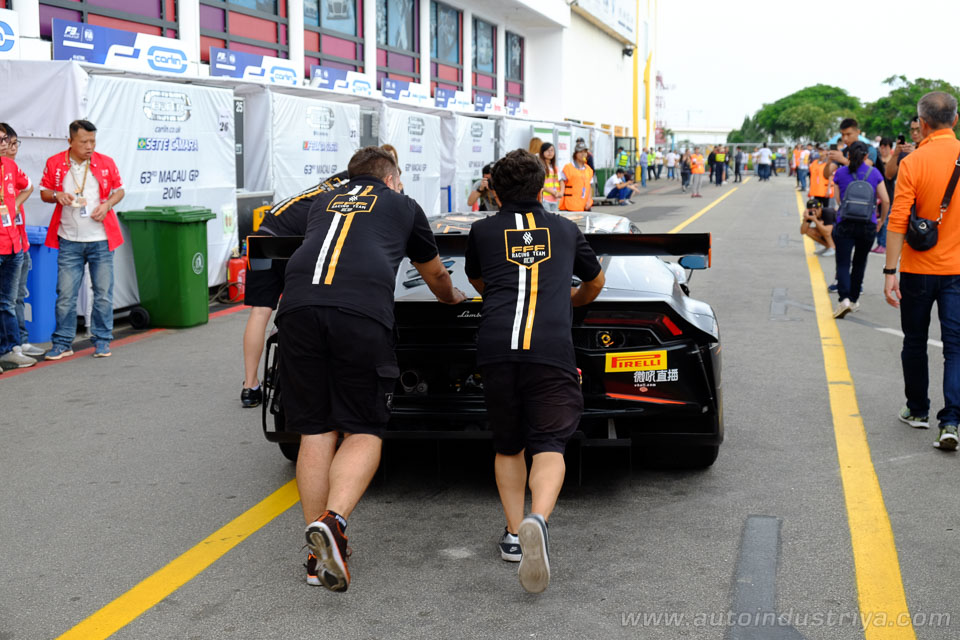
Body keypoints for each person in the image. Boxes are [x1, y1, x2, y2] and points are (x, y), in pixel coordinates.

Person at [277, 146, 465, 591]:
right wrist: (452, 298)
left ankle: (315, 556)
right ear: (392, 177)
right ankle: (334, 522)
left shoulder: (325, 200)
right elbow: (434, 273)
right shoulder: (403, 204)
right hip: (358, 315)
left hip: (298, 310)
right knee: (363, 430)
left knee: (316, 430)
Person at [463, 149, 605, 593]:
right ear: (544, 185)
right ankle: (537, 520)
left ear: (495, 189)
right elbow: (595, 280)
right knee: (549, 442)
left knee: (508, 445)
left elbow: (479, 281)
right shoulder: (564, 229)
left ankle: (511, 534)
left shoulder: (483, 231)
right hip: (550, 345)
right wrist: (568, 304)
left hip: (497, 345)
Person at [883, 91, 960, 450]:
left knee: (914, 341)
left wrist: (889, 271)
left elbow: (898, 220)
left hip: (917, 269)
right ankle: (952, 422)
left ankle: (918, 411)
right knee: (955, 347)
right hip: (957, 272)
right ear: (955, 121)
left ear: (923, 124)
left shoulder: (914, 161)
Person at [240, 171, 350, 408]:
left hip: (263, 239)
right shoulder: (348, 198)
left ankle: (250, 387)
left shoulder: (318, 190)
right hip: (291, 246)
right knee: (296, 308)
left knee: (260, 312)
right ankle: (280, 371)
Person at [40, 120, 125, 360]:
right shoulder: (55, 163)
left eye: (93, 141)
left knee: (103, 292)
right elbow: (44, 192)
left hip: (101, 239)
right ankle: (62, 342)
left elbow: (120, 190)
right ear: (70, 141)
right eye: (84, 142)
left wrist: (107, 204)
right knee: (65, 294)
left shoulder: (105, 162)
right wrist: (58, 196)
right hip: (69, 239)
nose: (89, 146)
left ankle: (102, 340)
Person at [831, 141, 889, 319]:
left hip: (845, 223)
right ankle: (854, 299)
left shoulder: (840, 173)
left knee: (842, 263)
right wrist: (880, 221)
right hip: (867, 224)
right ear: (866, 156)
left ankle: (844, 300)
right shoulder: (874, 172)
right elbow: (885, 200)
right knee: (859, 262)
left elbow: (838, 199)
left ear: (848, 155)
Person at [0, 123, 44, 358]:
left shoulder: (10, 167)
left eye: (11, 141)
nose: (9, 146)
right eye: (5, 141)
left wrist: (14, 204)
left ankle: (16, 344)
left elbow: (28, 187)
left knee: (13, 298)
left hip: (16, 242)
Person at [873, 137, 897, 255]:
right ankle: (879, 242)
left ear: (890, 148)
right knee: (878, 219)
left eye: (886, 147)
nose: (884, 150)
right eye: (882, 147)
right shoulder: (877, 160)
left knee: (886, 220)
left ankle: (883, 244)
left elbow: (891, 177)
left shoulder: (893, 160)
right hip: (877, 195)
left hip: (889, 194)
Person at [884, 116, 922, 184]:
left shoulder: (932, 149)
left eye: (918, 129)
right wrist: (896, 154)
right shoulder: (906, 151)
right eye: (912, 130)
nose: (915, 133)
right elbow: (888, 175)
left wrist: (916, 154)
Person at [559, 142, 594, 212]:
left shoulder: (589, 169)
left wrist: (589, 201)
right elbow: (561, 181)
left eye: (585, 152)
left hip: (585, 207)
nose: (583, 154)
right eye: (580, 152)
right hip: (570, 207)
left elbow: (589, 186)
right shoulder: (568, 167)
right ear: (575, 154)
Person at [539, 142, 561, 212]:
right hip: (544, 199)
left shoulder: (555, 167)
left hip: (555, 199)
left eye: (552, 150)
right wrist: (553, 192)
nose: (550, 152)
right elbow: (540, 183)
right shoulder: (540, 166)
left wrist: (561, 192)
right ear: (542, 152)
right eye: (547, 150)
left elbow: (561, 181)